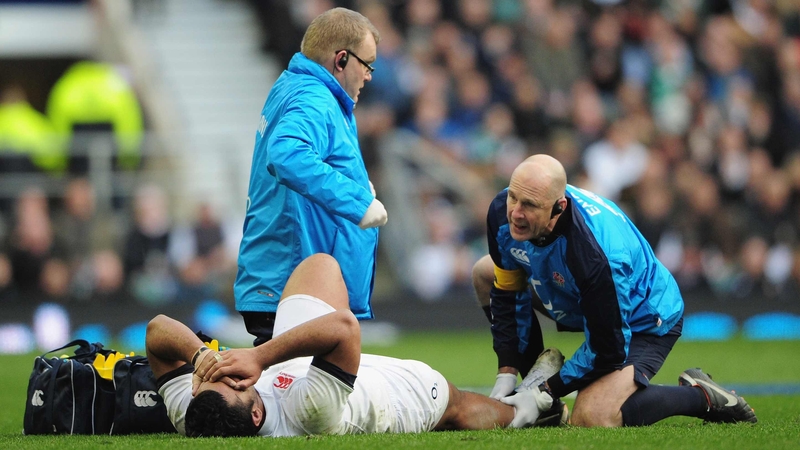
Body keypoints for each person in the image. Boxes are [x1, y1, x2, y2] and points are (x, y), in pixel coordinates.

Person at [472, 154, 757, 427]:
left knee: (593, 415)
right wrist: (507, 370)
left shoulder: (595, 256)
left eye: (530, 205)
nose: (516, 213)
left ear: (559, 207)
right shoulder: (501, 210)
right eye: (513, 197)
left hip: (643, 317)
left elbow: (606, 349)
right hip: (574, 293)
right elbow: (507, 292)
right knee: (485, 273)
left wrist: (546, 392)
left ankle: (701, 396)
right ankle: (539, 398)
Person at [146, 254, 559, 437]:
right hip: (391, 400)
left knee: (319, 265)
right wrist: (258, 355)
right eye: (232, 383)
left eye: (213, 377)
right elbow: (345, 328)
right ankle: (532, 406)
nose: (226, 373)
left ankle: (329, 358)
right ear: (256, 415)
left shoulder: (194, 414)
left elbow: (157, 329)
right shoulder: (310, 417)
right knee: (457, 407)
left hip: (313, 368)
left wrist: (202, 357)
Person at [235, 7, 388, 346]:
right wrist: (359, 200)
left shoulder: (299, 88)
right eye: (367, 64)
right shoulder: (314, 97)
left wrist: (355, 183)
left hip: (290, 282)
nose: (369, 76)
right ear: (342, 59)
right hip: (295, 287)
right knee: (302, 398)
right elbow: (288, 155)